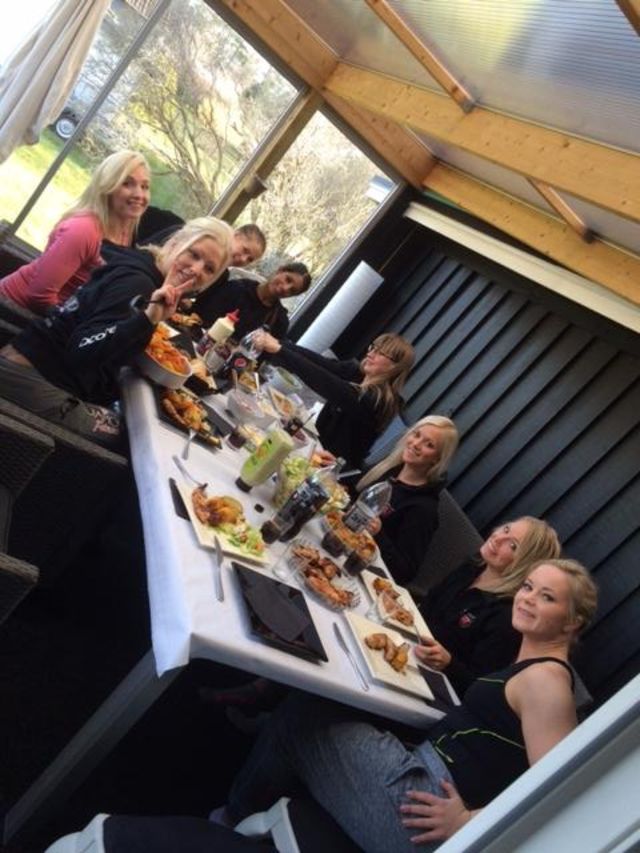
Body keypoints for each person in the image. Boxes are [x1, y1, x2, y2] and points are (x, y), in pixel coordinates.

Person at [226, 558, 597, 852]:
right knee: (326, 706)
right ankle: (260, 801)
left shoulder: (548, 682)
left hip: (421, 816)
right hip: (420, 777)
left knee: (304, 714)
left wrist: (467, 822)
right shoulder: (531, 666)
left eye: (547, 597)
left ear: (572, 622)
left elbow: (557, 787)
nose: (528, 598)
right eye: (528, 587)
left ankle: (231, 820)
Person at [0, 217, 232, 445]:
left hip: (33, 365)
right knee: (131, 437)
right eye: (194, 254)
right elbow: (81, 350)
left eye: (209, 268)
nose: (196, 269)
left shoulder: (144, 265)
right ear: (175, 242)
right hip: (31, 381)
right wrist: (146, 319)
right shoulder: (139, 285)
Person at [417, 516, 561, 695]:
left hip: (433, 687)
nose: (498, 538)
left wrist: (449, 663)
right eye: (506, 529)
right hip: (411, 648)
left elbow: (479, 686)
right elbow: (429, 603)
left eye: (513, 545)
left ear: (523, 565)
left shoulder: (506, 617)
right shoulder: (472, 566)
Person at [0, 150, 150, 314]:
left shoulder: (125, 233)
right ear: (107, 187)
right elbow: (39, 296)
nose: (139, 195)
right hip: (12, 310)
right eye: (127, 184)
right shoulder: (83, 230)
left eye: (144, 186)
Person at [252, 331, 415, 469]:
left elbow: (326, 383)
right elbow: (322, 363)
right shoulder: (358, 373)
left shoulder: (378, 401)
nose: (370, 353)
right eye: (373, 347)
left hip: (328, 467)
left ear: (395, 367)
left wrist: (280, 350)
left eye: (381, 353)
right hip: (310, 447)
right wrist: (279, 343)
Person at [357, 415, 459, 585]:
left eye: (429, 445)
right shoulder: (392, 469)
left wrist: (379, 535)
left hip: (364, 574)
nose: (416, 444)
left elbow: (404, 572)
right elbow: (355, 489)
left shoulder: (423, 509)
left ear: (437, 459)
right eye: (417, 434)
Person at [189, 262, 311, 336]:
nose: (285, 288)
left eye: (292, 291)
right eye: (288, 279)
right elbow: (199, 317)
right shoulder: (237, 288)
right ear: (280, 270)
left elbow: (258, 361)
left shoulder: (279, 322)